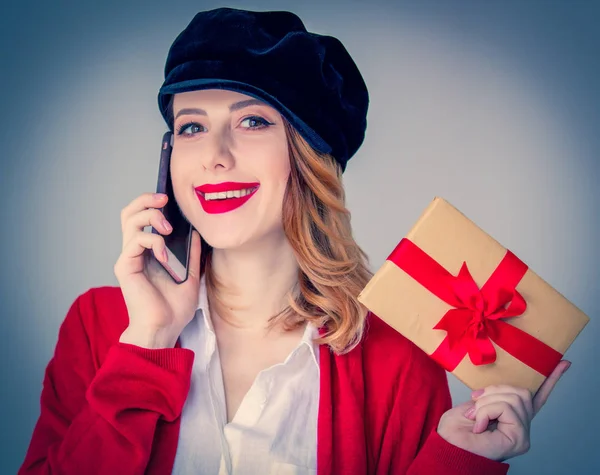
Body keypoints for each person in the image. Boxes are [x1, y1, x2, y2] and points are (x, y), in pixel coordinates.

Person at [19, 7, 570, 475]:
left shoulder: (399, 357)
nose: (215, 154)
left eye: (253, 121)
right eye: (191, 126)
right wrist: (148, 342)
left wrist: (460, 458)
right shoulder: (100, 326)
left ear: (309, 161)